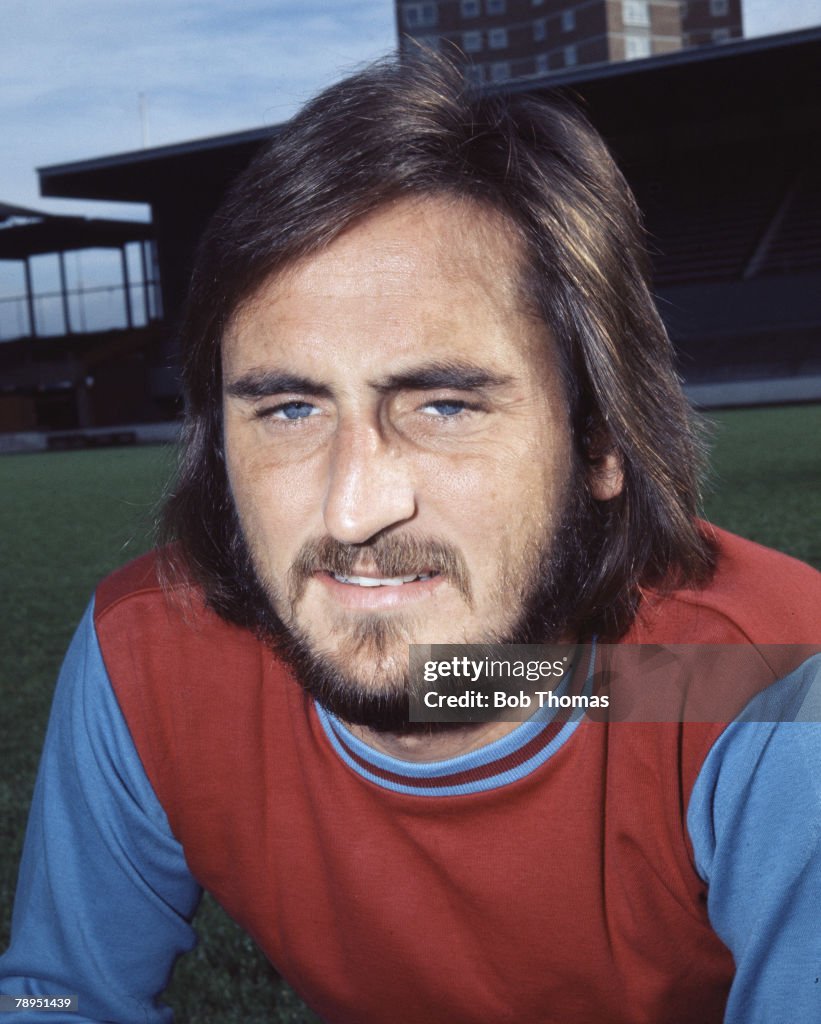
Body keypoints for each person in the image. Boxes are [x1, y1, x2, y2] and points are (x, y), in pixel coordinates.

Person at [1, 54, 820, 1024]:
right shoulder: (145, 656)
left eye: (441, 403)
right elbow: (58, 1000)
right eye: (291, 409)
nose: (351, 512)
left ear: (600, 438)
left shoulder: (771, 684)